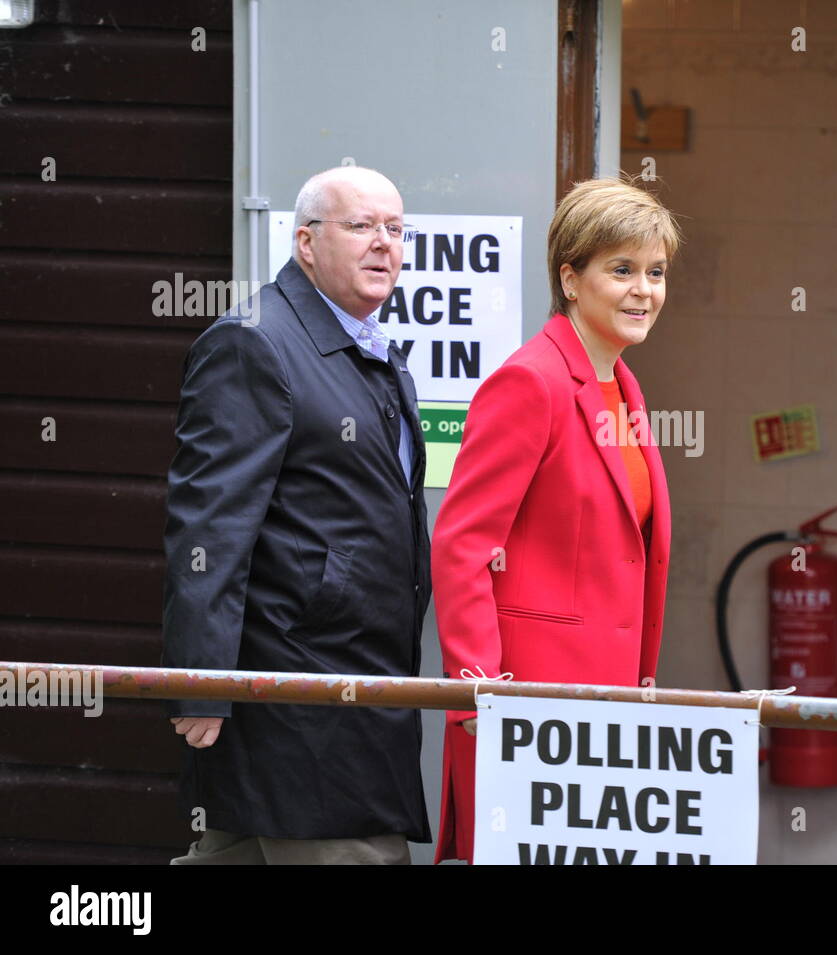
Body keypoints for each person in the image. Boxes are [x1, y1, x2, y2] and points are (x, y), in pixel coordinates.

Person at [161, 166, 431, 864]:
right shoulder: (255, 341)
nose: (384, 245)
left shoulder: (367, 348)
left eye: (395, 229)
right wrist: (201, 679)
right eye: (362, 226)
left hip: (349, 690)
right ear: (306, 243)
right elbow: (208, 526)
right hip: (302, 697)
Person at [429, 177, 682, 864]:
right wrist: (480, 694)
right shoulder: (531, 381)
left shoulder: (626, 387)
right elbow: (461, 546)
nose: (643, 289)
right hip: (527, 713)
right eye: (621, 269)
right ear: (571, 279)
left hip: (605, 711)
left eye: (655, 272)